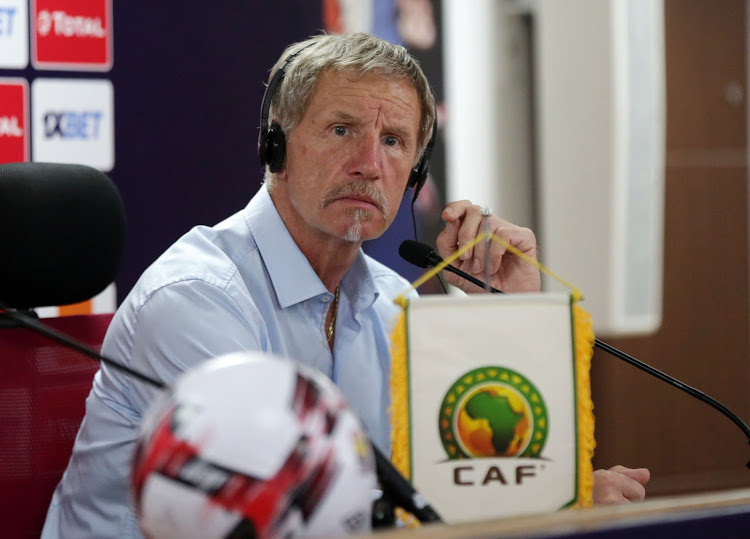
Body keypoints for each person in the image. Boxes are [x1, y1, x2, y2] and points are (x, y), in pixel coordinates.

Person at [42, 32, 648, 538]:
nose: (368, 163)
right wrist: (535, 503)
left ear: (416, 172)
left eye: (393, 141)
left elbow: (466, 473)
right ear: (274, 145)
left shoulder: (394, 305)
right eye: (341, 130)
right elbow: (287, 515)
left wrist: (508, 316)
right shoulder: (196, 299)